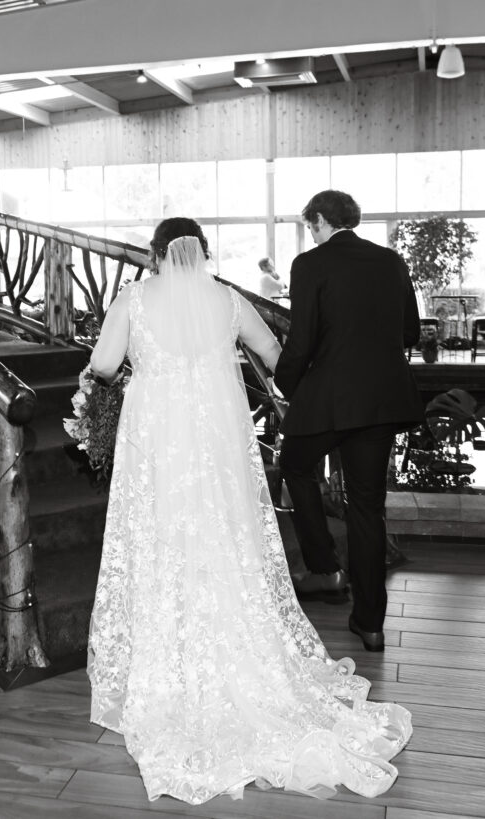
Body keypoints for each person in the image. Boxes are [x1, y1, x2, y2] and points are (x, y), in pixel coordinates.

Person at [86, 216, 411, 804]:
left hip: (158, 441)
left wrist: (110, 379)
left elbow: (105, 367)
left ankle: (169, 664)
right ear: (203, 253)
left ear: (157, 256)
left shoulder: (133, 299)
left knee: (161, 535)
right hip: (217, 441)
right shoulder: (229, 300)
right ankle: (243, 656)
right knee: (224, 534)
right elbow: (273, 350)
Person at [275, 190, 423, 654]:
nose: (311, 233)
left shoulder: (310, 264)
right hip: (380, 401)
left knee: (296, 466)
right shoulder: (391, 261)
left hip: (330, 400)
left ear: (320, 220)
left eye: (310, 224)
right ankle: (371, 623)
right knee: (367, 507)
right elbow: (411, 332)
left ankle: (324, 566)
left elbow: (301, 340)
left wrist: (285, 382)